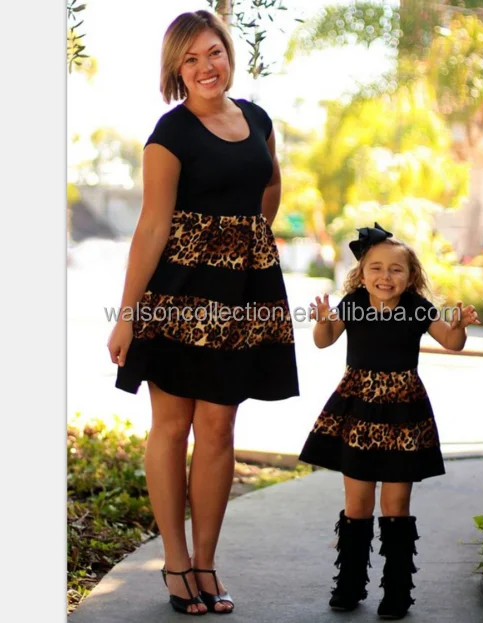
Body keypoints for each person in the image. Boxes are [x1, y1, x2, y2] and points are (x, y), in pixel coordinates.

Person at [107, 10, 299, 615]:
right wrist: (127, 314)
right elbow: (152, 227)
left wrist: (245, 243)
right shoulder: (170, 134)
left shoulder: (258, 120)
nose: (205, 67)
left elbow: (270, 187)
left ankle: (207, 563)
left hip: (242, 293)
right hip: (179, 294)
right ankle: (176, 563)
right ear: (176, 70)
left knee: (219, 428)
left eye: (213, 52)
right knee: (172, 427)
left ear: (228, 53)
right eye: (190, 59)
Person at [299, 222, 480, 620]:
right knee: (357, 502)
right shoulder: (353, 303)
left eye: (396, 269)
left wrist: (458, 328)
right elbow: (324, 340)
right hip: (358, 411)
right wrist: (322, 320)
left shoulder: (418, 307)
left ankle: (397, 592)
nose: (385, 276)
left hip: (403, 414)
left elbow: (451, 343)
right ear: (362, 274)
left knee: (396, 503)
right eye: (376, 268)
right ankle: (349, 585)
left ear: (411, 276)